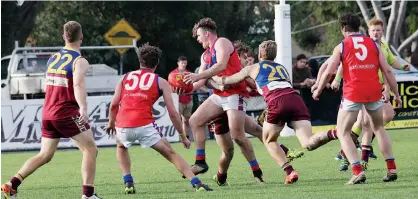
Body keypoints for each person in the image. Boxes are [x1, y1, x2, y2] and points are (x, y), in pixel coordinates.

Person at [212, 40, 337, 184]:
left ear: (259, 54)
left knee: (269, 140)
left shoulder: (253, 68)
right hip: (296, 100)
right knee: (308, 142)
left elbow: (228, 80)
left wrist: (212, 76)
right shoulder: (282, 68)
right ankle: (334, 133)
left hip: (277, 101)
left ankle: (289, 171)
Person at [1, 21, 101, 199]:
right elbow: (77, 84)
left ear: (64, 36)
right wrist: (83, 108)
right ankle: (88, 195)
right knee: (91, 149)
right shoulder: (80, 61)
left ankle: (12, 184)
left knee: (45, 154)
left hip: (48, 113)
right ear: (81, 37)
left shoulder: (53, 58)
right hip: (67, 113)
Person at [104, 43, 213, 194]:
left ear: (140, 61)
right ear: (156, 63)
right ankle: (197, 183)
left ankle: (128, 181)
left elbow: (113, 105)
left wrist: (111, 123)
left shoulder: (125, 77)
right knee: (171, 154)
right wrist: (183, 136)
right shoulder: (161, 81)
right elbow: (173, 113)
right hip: (145, 125)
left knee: (121, 146)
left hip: (123, 124)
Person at [313, 13, 402, 184]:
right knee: (379, 128)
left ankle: (357, 170)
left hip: (353, 93)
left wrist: (318, 89)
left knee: (343, 131)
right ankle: (391, 168)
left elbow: (330, 70)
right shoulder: (375, 44)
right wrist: (396, 95)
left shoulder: (342, 46)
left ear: (344, 28)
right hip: (374, 92)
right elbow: (388, 71)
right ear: (359, 27)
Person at [182, 18, 263, 182]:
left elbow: (221, 66)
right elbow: (200, 82)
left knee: (239, 137)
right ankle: (200, 162)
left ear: (206, 34)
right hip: (219, 97)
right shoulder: (205, 55)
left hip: (235, 95)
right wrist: (184, 87)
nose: (198, 40)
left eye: (198, 36)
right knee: (195, 120)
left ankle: (258, 172)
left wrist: (198, 75)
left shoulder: (222, 43)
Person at [170, 56, 194, 140]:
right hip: (178, 100)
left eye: (185, 63)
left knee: (186, 120)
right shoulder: (173, 74)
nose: (184, 64)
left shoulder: (189, 73)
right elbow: (170, 86)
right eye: (182, 63)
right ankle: (179, 137)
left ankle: (186, 137)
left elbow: (193, 85)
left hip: (188, 100)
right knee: (178, 119)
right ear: (178, 63)